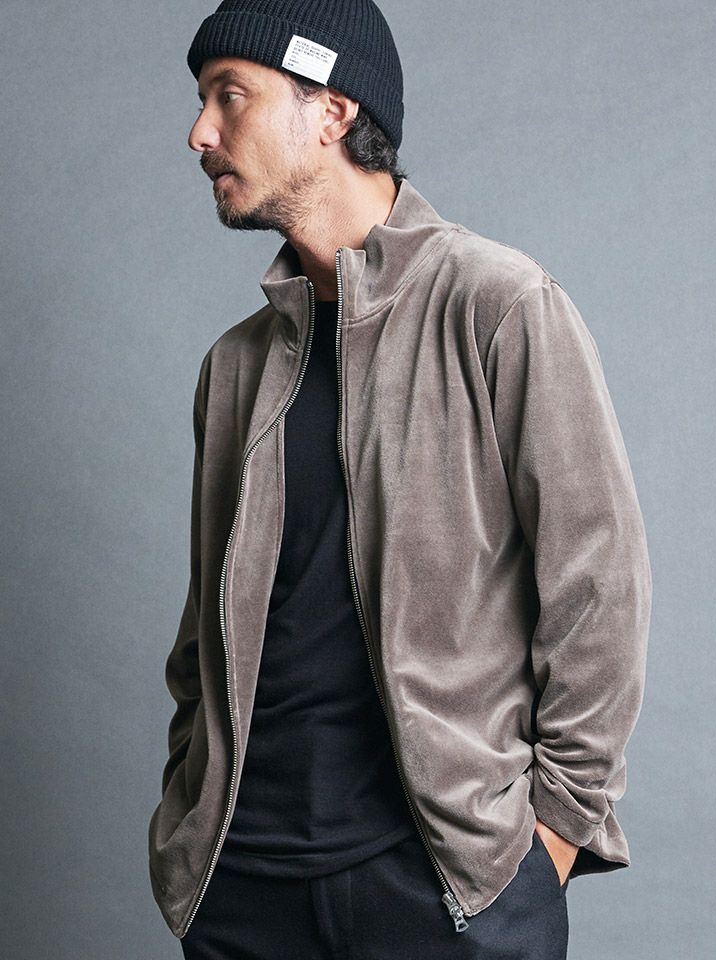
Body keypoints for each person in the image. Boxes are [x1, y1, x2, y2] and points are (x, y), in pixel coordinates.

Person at [146, 1, 653, 957]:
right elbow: (204, 631)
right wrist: (190, 802)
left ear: (332, 109)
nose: (200, 132)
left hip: (445, 884)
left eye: (230, 95)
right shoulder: (235, 368)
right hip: (243, 882)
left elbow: (600, 588)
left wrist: (549, 838)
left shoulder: (498, 305)